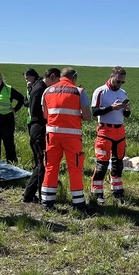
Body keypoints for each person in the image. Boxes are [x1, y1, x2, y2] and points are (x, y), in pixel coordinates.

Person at [41, 67, 92, 212]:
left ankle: (47, 202)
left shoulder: (48, 91)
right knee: (74, 168)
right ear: (74, 78)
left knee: (51, 166)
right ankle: (78, 203)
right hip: (72, 137)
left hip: (52, 136)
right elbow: (87, 116)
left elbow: (45, 115)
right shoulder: (79, 91)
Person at [90, 67, 131, 205]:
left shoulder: (123, 93)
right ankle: (97, 192)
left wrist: (126, 110)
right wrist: (111, 108)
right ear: (111, 76)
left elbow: (125, 115)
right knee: (102, 164)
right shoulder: (101, 91)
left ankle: (117, 190)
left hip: (120, 131)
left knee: (118, 163)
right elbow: (94, 112)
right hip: (105, 131)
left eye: (122, 82)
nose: (120, 84)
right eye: (118, 81)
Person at [23, 68, 59, 203]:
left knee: (41, 163)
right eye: (57, 81)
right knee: (42, 163)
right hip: (38, 129)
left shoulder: (38, 87)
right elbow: (37, 112)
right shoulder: (41, 89)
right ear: (53, 77)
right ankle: (37, 194)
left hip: (35, 128)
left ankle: (30, 194)